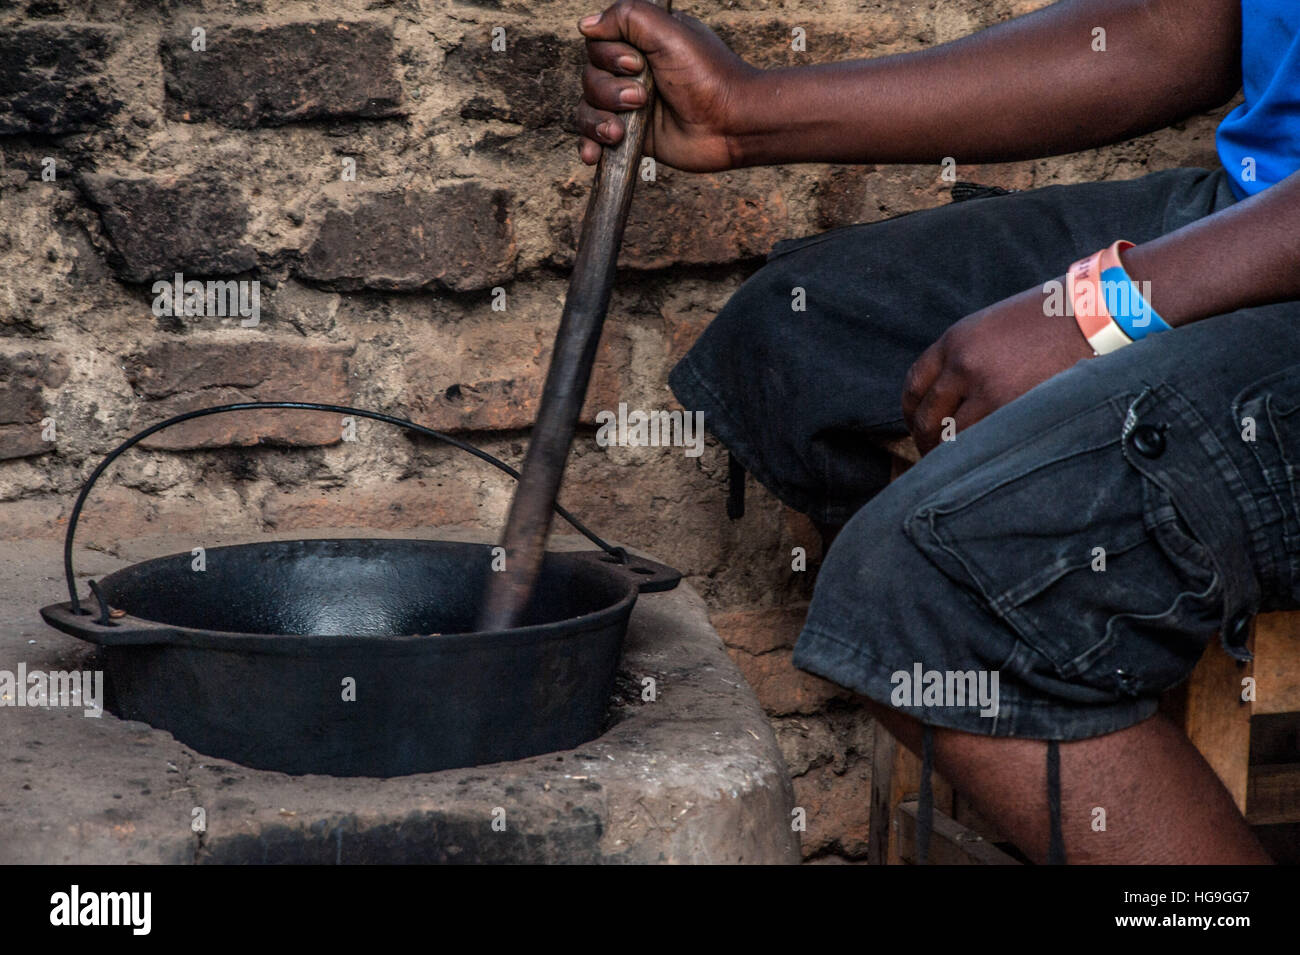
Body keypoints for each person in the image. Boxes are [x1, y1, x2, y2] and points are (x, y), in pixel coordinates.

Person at [575, 0, 1300, 864]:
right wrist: (746, 112)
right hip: (1251, 212)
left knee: (922, 582)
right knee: (800, 339)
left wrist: (1100, 309)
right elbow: (1158, 29)